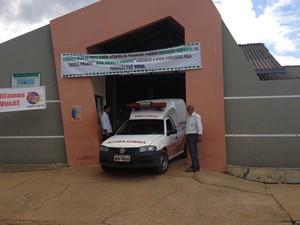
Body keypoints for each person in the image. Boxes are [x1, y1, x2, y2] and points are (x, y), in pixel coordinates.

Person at [185, 105, 203, 172]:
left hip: (194, 135)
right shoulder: (188, 117)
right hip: (189, 135)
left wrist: (199, 135)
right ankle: (195, 165)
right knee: (191, 151)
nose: (189, 111)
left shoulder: (196, 116)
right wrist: (186, 135)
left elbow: (199, 126)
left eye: (190, 110)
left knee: (193, 151)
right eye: (188, 110)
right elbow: (187, 126)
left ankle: (195, 167)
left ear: (193, 109)